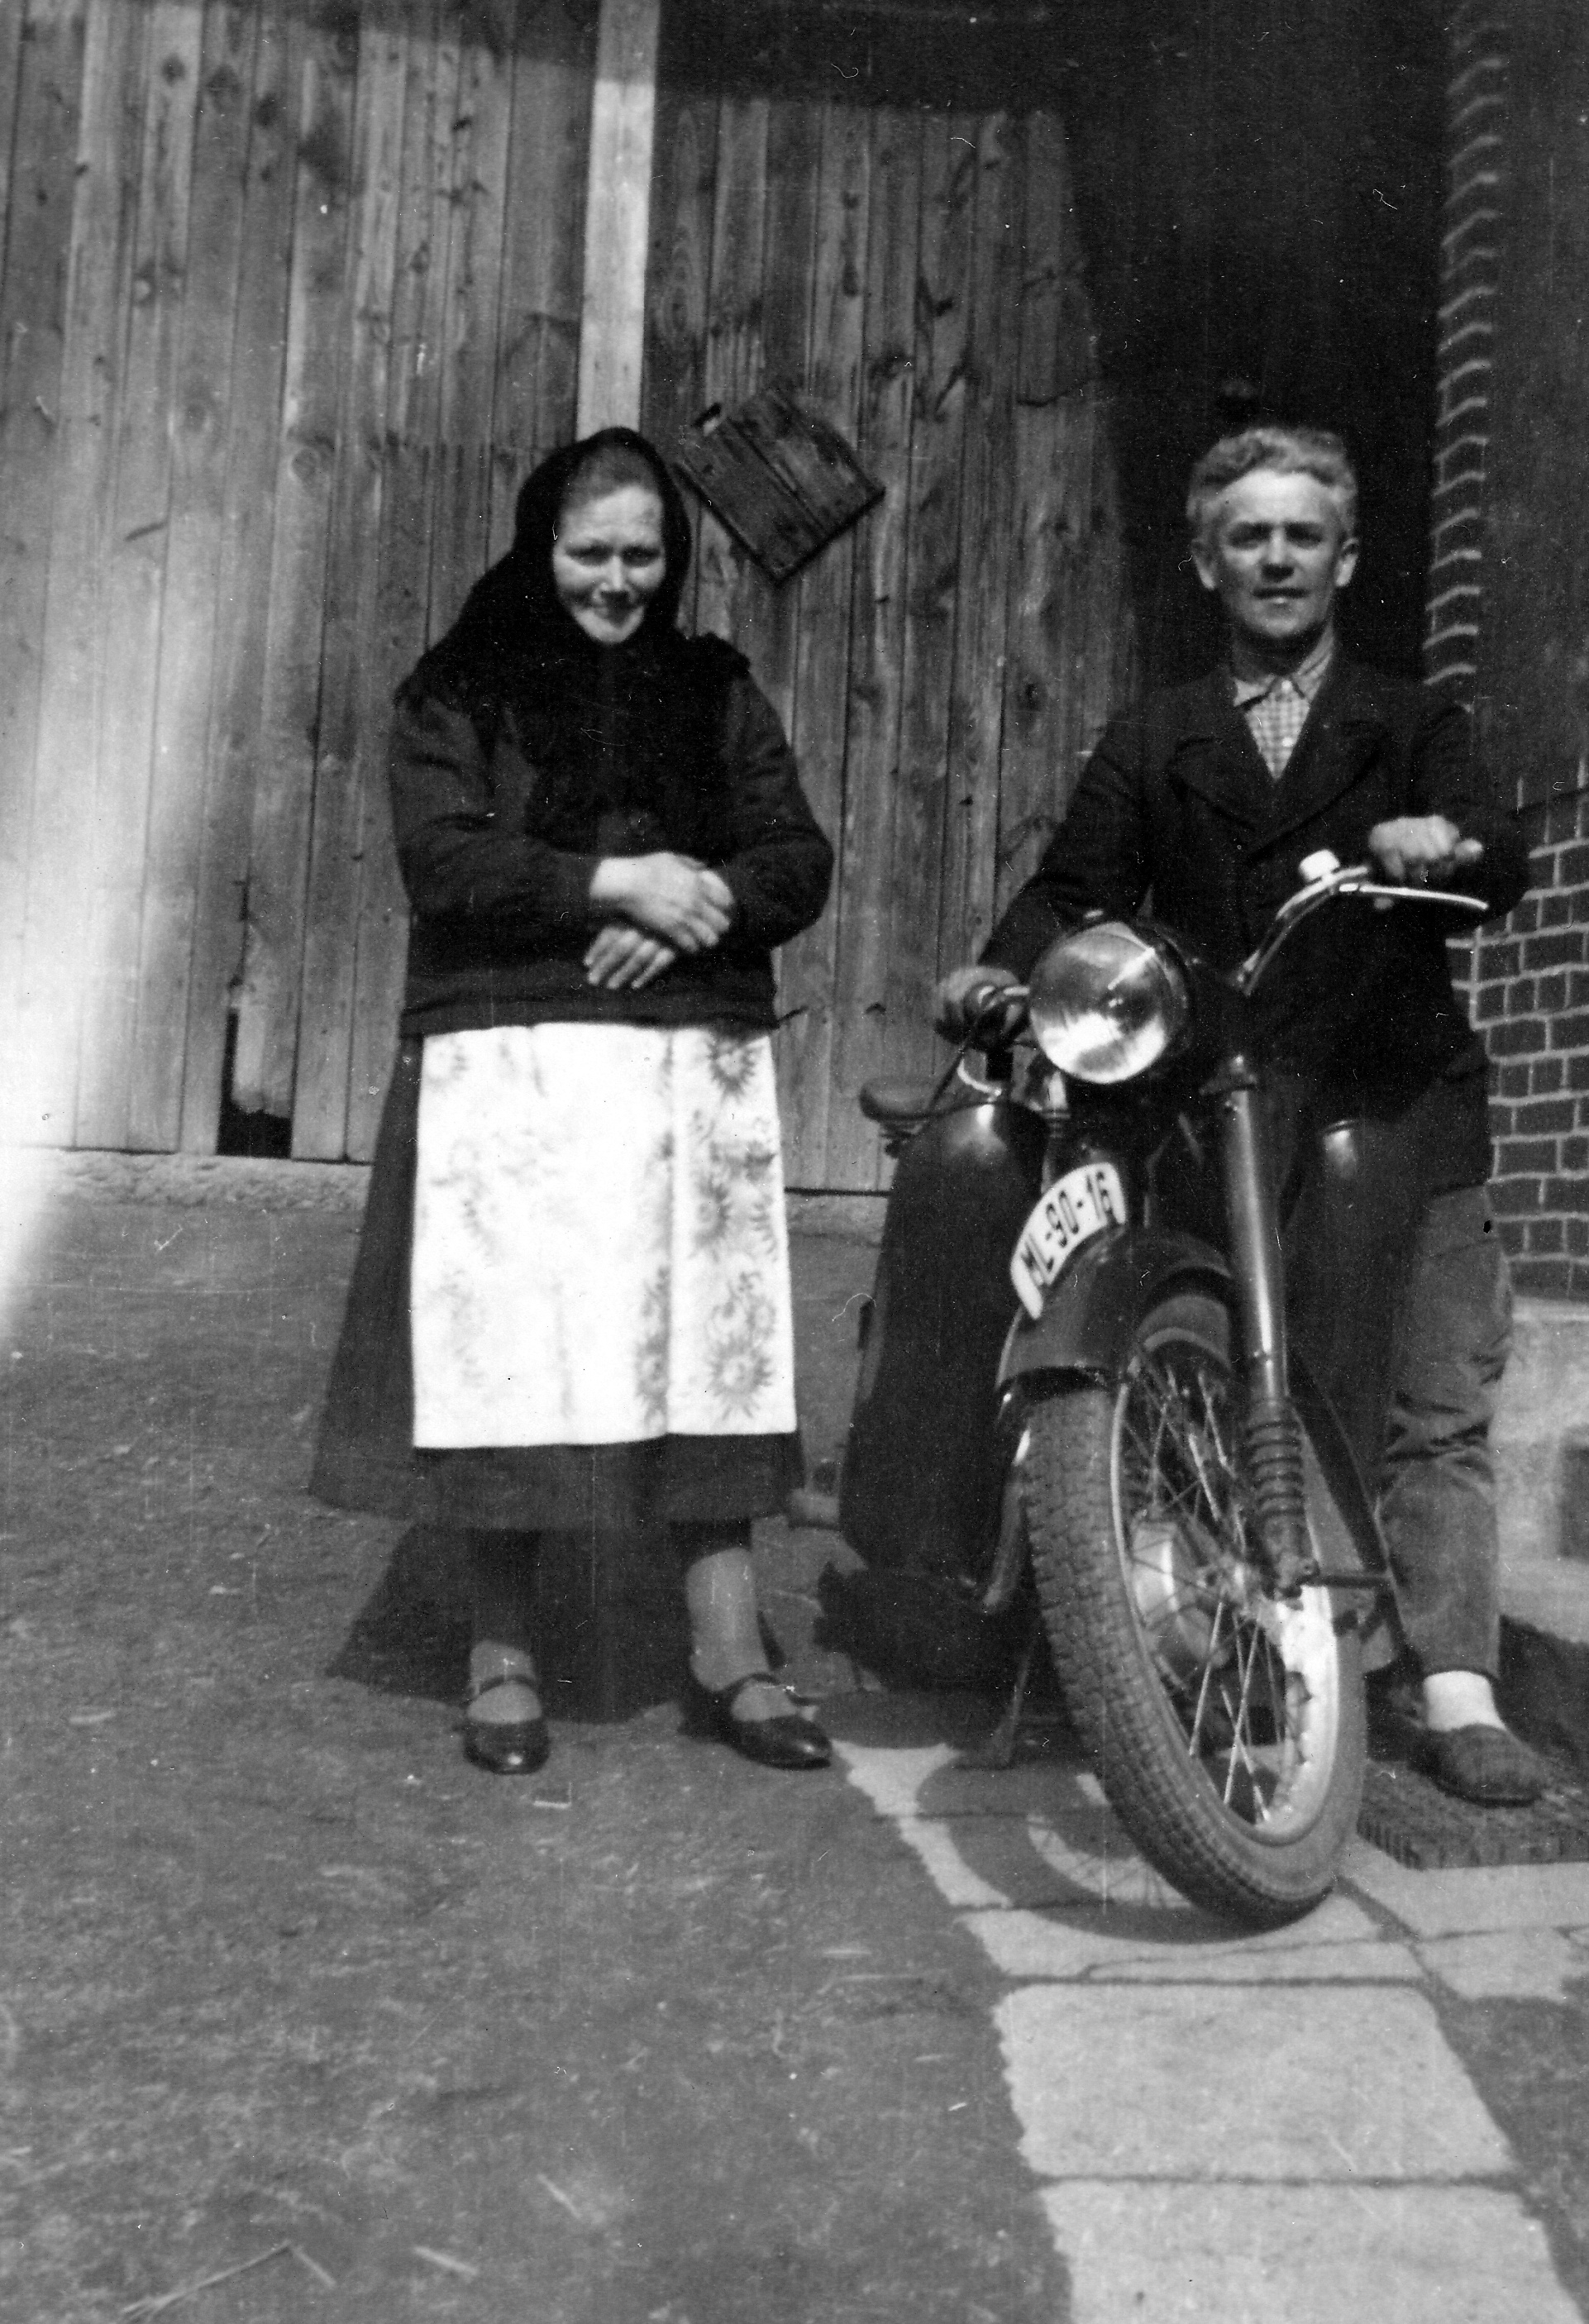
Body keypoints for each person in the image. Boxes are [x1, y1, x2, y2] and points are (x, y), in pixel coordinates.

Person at [937, 421, 1546, 1807]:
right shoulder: (1156, 734)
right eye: (1248, 538)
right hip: (1225, 1103)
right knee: (1232, 1376)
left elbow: (1494, 854)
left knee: (1433, 1397)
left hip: (1397, 1102)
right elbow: (1072, 889)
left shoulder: (1410, 721)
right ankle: (1251, 1651)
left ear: (1346, 558)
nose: (1277, 559)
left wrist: (1437, 841)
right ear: (1207, 564)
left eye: (1302, 536)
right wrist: (1004, 967)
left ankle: (1454, 1682)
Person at [313, 427, 834, 1777]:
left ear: (673, 559)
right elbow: (443, 860)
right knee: (516, 1346)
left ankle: (729, 1644)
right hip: (512, 1055)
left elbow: (793, 856)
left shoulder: (714, 687)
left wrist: (690, 906)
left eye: (641, 556)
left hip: (683, 1059)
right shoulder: (459, 687)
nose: (616, 581)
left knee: (705, 1347)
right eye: (590, 552)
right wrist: (612, 885)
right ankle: (501, 1649)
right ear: (542, 545)